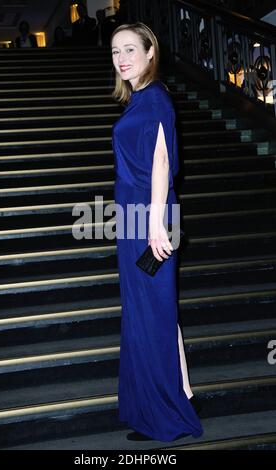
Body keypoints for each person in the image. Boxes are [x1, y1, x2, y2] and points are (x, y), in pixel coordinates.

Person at [111, 22, 204, 442]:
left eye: (131, 49)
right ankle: (182, 393)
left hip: (149, 218)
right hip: (137, 216)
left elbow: (162, 163)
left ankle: (166, 412)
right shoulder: (139, 101)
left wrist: (154, 225)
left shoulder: (155, 100)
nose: (122, 58)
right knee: (156, 309)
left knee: (151, 311)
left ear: (152, 52)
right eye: (115, 52)